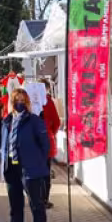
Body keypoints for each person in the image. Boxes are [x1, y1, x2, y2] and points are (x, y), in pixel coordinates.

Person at [1, 88, 50, 222]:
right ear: (11, 103)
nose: (20, 103)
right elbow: (4, 146)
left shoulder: (35, 121)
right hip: (12, 169)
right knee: (15, 207)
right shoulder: (6, 121)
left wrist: (38, 163)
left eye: (23, 100)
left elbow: (45, 145)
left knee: (36, 206)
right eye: (16, 100)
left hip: (30, 169)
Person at [40, 80, 62, 209]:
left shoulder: (29, 101)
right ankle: (44, 199)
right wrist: (51, 133)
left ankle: (34, 197)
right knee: (45, 171)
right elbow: (56, 121)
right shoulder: (48, 101)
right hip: (46, 140)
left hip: (32, 143)